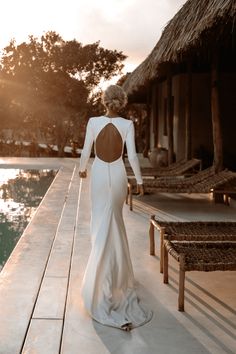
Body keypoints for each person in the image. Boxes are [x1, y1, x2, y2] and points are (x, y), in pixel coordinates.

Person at [79, 85, 152, 331]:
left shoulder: (93, 121)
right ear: (121, 103)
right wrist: (139, 181)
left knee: (101, 223)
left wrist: (81, 167)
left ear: (105, 101)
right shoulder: (127, 125)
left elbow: (87, 148)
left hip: (99, 174)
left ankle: (101, 278)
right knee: (115, 222)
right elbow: (131, 157)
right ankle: (115, 277)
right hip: (119, 175)